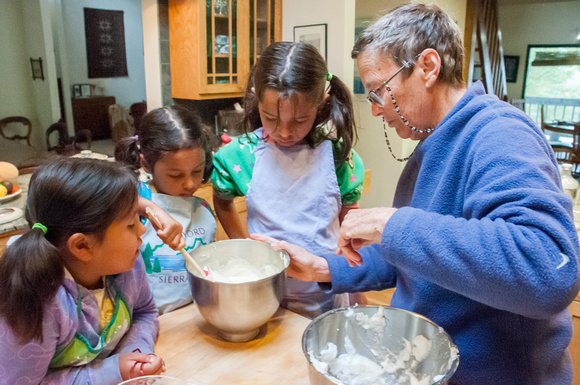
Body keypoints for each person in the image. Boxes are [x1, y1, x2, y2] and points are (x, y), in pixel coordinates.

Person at [251, 4, 580, 384]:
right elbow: (421, 255)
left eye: (378, 91)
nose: (374, 109)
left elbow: (548, 270)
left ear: (427, 67)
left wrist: (392, 223)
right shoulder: (432, 145)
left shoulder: (500, 134)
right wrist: (324, 268)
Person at [211, 41, 366, 319]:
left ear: (322, 101)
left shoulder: (339, 156)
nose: (284, 132)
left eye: (299, 120)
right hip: (265, 296)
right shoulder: (239, 156)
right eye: (270, 117)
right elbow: (221, 200)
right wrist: (244, 246)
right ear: (255, 97)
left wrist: (357, 287)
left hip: (325, 293)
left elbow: (350, 228)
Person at [0, 158, 165, 384]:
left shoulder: (127, 263)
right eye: (130, 225)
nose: (142, 229)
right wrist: (112, 370)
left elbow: (144, 312)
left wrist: (137, 356)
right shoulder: (37, 301)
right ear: (82, 246)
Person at [115, 105, 216, 314]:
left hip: (193, 314)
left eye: (197, 171)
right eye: (176, 175)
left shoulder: (202, 208)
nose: (189, 184)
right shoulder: (135, 198)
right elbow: (109, 199)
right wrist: (151, 208)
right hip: (148, 319)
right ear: (146, 164)